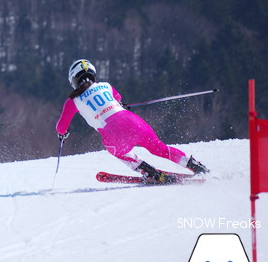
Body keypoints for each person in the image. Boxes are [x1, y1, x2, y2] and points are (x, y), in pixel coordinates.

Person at [55, 59, 208, 183]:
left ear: (74, 80)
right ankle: (195, 165)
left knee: (121, 152)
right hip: (134, 122)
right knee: (159, 148)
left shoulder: (72, 101)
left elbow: (61, 127)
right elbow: (118, 99)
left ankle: (149, 172)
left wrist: (63, 134)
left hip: (113, 134)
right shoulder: (106, 86)